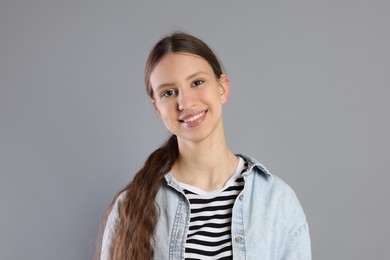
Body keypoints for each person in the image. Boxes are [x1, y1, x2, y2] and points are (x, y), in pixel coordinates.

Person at [96, 32, 311, 260]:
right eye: (168, 93)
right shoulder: (130, 208)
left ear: (222, 88)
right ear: (157, 108)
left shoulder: (277, 201)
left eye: (197, 82)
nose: (186, 103)